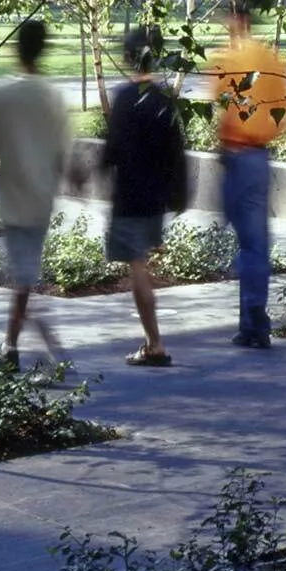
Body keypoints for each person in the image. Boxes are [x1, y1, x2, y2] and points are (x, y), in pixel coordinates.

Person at [0, 16, 69, 369]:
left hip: (12, 197)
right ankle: (16, 342)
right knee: (24, 273)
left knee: (23, 275)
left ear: (16, 48)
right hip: (40, 198)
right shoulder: (52, 96)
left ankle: (16, 346)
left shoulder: (3, 94)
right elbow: (63, 152)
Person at [202, 0, 286, 348]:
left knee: (242, 240)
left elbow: (221, 104)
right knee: (256, 242)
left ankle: (251, 313)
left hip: (235, 155)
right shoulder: (273, 59)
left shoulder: (227, 59)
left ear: (235, 20)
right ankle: (253, 318)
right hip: (261, 157)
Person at [100, 24, 187, 367]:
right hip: (154, 197)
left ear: (127, 57)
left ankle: (155, 344)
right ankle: (151, 340)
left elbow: (113, 148)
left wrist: (95, 172)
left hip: (129, 197)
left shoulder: (124, 98)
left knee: (137, 268)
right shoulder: (164, 99)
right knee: (141, 264)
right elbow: (176, 150)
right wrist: (178, 194)